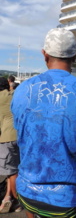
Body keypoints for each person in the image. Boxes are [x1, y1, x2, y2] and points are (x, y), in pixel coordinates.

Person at [11, 28, 76, 218]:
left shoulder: (21, 90)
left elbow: (23, 130)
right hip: (68, 199)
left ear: (44, 54)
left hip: (27, 191)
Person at [0, 77, 21, 213]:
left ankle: (18, 202)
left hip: (6, 137)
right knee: (14, 170)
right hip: (20, 135)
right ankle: (8, 197)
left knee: (11, 172)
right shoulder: (15, 94)